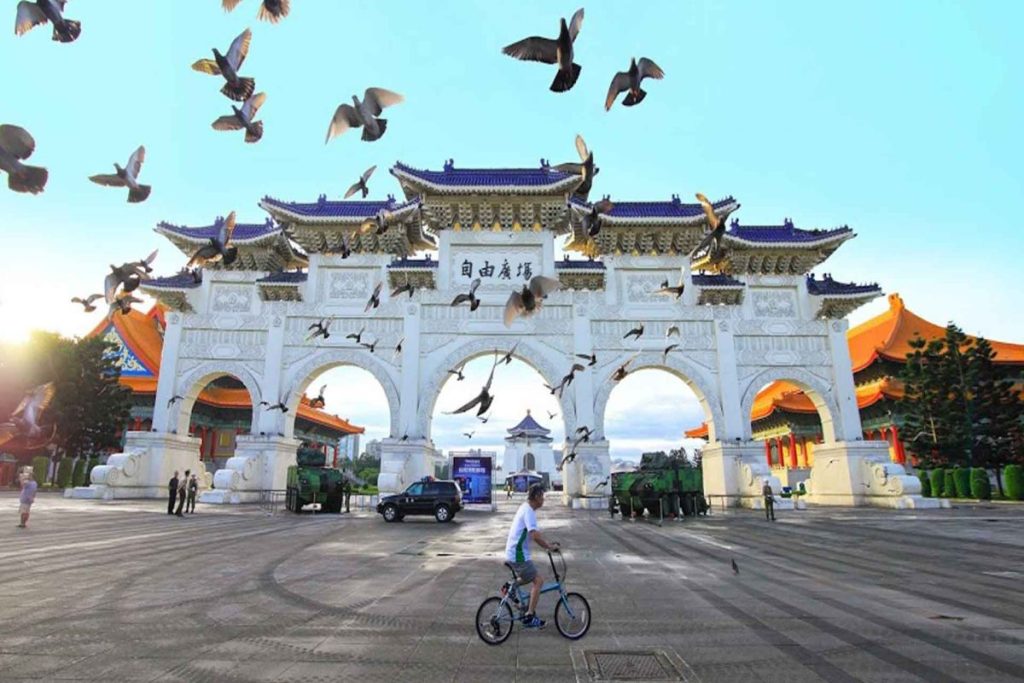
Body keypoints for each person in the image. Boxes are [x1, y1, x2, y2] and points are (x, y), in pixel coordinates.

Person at [504, 484, 559, 629]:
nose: (543, 499)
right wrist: (548, 547)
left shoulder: (526, 508)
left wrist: (548, 544)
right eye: (542, 496)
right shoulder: (528, 511)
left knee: (529, 576)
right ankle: (529, 616)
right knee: (538, 581)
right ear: (536, 497)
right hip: (517, 554)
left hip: (515, 552)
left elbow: (535, 534)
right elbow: (535, 536)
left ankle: (510, 587)